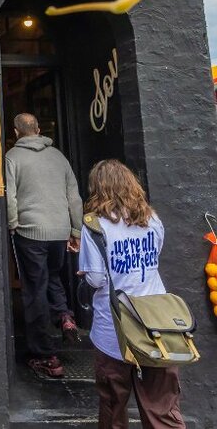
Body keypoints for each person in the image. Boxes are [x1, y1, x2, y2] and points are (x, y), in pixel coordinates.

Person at [79, 159, 183, 428]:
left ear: (97, 188)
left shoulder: (94, 226)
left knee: (114, 404)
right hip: (156, 326)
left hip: (114, 328)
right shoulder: (152, 219)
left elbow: (97, 279)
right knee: (162, 406)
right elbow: (153, 259)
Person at [5, 112, 83, 378]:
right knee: (52, 276)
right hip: (59, 231)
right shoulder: (59, 156)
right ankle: (64, 315)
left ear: (16, 132)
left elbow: (10, 195)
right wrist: (76, 230)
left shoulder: (13, 157)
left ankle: (45, 355)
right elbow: (73, 195)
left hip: (30, 232)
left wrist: (13, 223)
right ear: (38, 129)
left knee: (34, 289)